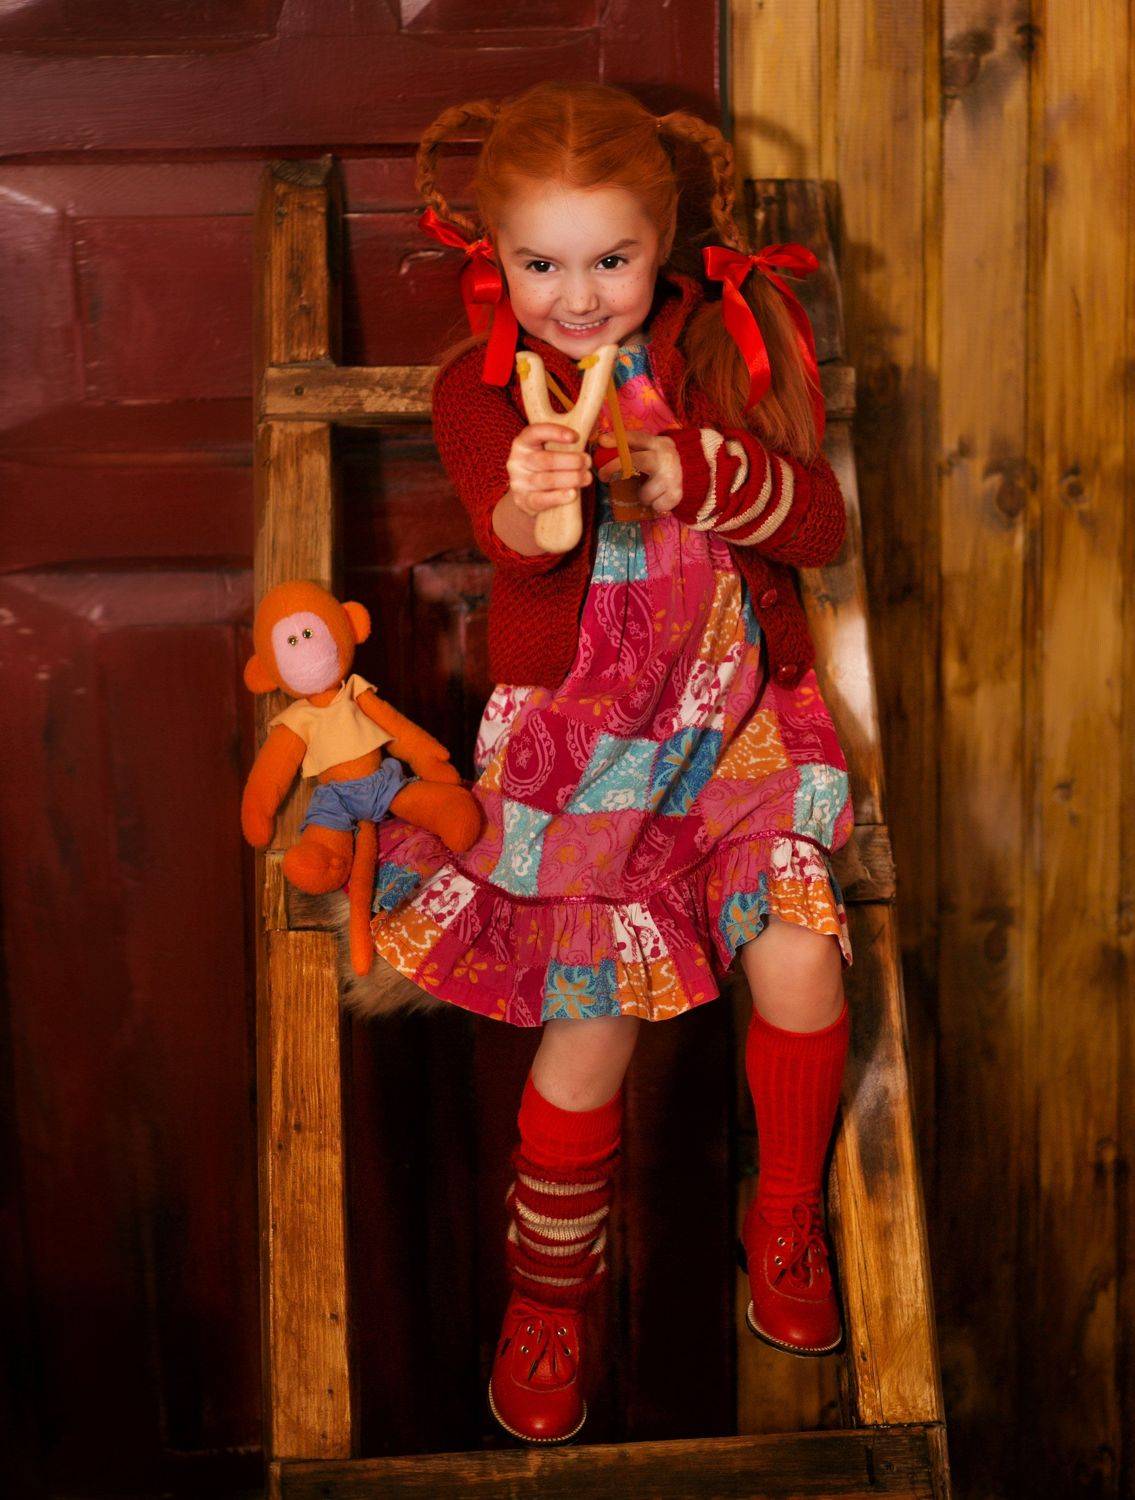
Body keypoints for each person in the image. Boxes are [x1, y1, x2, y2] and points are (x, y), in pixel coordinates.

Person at [365, 80, 855, 1444]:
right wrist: (538, 507)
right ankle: (548, 1302)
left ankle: (787, 1220)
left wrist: (713, 473)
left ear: (663, 243)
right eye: (542, 265)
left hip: (741, 731)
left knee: (803, 956)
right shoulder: (479, 393)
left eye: (611, 261)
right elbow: (519, 566)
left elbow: (818, 525)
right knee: (592, 1024)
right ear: (496, 257)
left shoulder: (726, 349)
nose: (577, 299)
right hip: (590, 755)